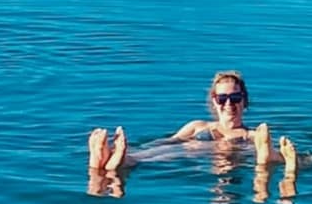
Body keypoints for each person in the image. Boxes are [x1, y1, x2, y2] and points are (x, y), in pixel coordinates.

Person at [88, 70, 298, 173]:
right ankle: (112, 156)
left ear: (244, 102)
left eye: (235, 98)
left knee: (264, 157)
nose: (229, 104)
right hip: (190, 150)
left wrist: (278, 156)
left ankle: (119, 161)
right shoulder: (198, 125)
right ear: (214, 102)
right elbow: (168, 142)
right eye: (222, 99)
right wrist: (137, 147)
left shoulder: (254, 135)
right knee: (163, 152)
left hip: (223, 156)